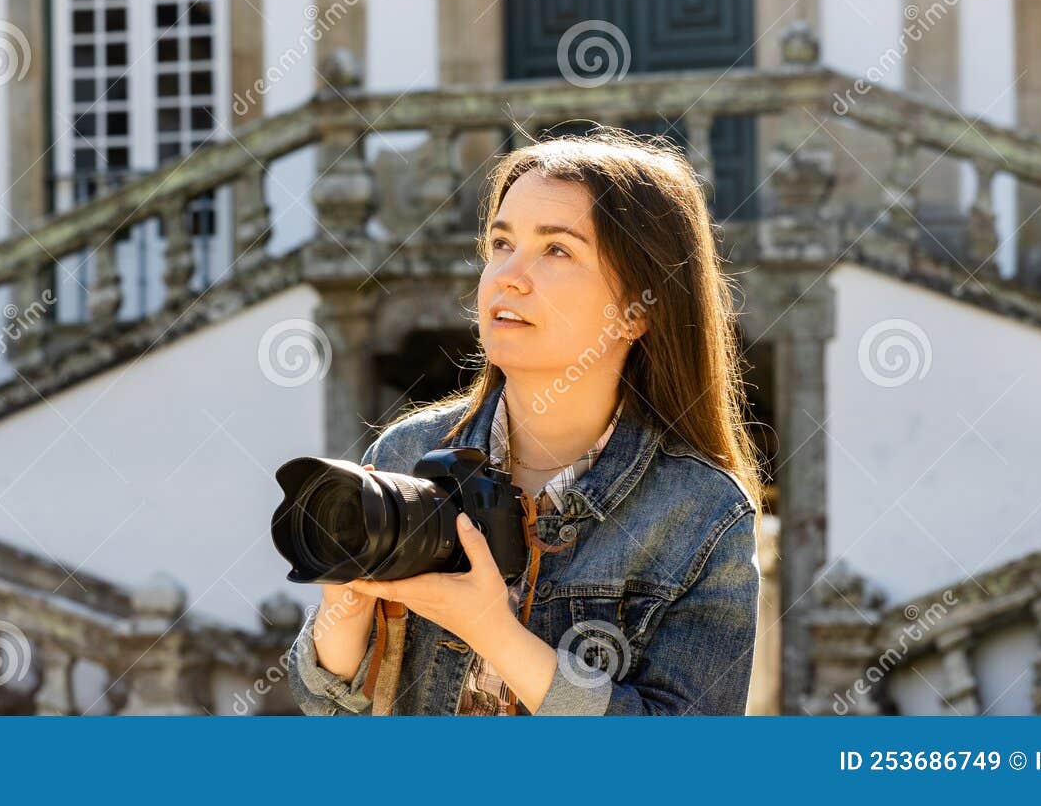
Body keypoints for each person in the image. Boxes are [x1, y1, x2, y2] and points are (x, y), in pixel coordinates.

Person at [287, 127, 763, 715]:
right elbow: (324, 706)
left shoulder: (702, 513)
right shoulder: (406, 453)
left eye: (557, 250)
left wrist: (494, 633)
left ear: (641, 309)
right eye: (501, 244)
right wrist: (348, 605)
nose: (507, 276)